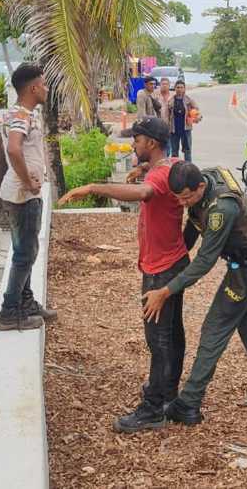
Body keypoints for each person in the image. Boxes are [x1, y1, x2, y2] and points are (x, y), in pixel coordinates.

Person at [58, 117, 189, 433]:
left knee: (158, 340)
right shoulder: (169, 165)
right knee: (171, 333)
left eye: (138, 140)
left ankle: (153, 409)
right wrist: (141, 170)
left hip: (161, 269)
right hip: (172, 260)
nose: (134, 144)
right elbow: (154, 177)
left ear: (152, 144)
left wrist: (92, 187)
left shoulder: (158, 176)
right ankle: (168, 392)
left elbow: (145, 193)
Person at [141, 162, 247, 427]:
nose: (184, 203)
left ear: (200, 186)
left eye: (187, 197)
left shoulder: (222, 208)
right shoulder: (203, 181)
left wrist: (166, 290)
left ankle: (189, 402)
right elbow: (194, 224)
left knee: (214, 329)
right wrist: (175, 259)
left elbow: (205, 261)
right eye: (179, 199)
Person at [0, 64, 58, 331]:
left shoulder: (21, 113)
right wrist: (28, 181)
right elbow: (14, 149)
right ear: (33, 88)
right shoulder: (22, 115)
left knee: (28, 251)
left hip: (20, 193)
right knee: (24, 254)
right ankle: (9, 313)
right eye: (43, 84)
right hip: (22, 195)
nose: (46, 88)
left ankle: (26, 301)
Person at [164, 80, 199, 162]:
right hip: (174, 130)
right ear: (175, 88)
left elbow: (197, 112)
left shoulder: (189, 100)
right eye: (178, 87)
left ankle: (189, 170)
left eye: (181, 87)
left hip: (186, 130)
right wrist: (166, 128)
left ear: (184, 89)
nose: (179, 89)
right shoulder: (171, 101)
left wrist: (195, 118)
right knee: (174, 152)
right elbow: (167, 116)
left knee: (187, 151)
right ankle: (174, 169)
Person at [155, 78, 174, 151]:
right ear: (160, 85)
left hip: (170, 126)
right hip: (158, 126)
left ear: (169, 85)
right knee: (159, 148)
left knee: (168, 148)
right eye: (163, 84)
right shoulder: (156, 96)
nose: (164, 86)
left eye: (166, 84)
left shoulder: (173, 96)